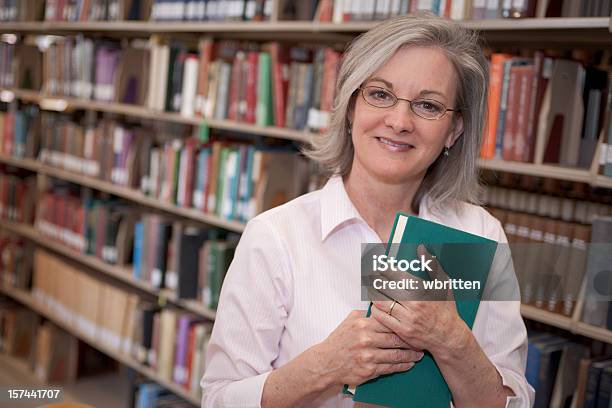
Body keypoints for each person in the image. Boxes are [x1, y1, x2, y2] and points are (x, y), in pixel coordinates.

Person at [201, 14, 534, 408]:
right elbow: (220, 398)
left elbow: (515, 400)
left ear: (454, 131)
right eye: (380, 95)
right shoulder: (276, 236)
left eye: (428, 105)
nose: (399, 121)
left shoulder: (481, 234)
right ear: (350, 106)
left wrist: (453, 342)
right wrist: (325, 366)